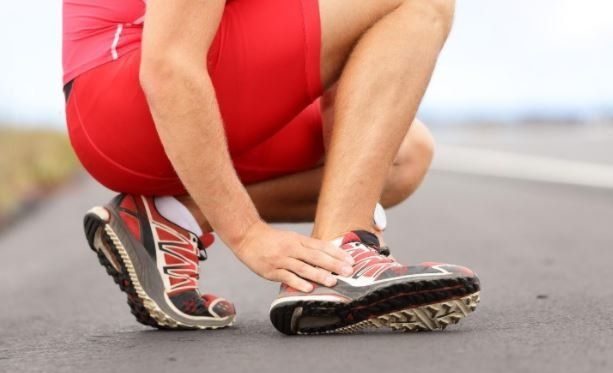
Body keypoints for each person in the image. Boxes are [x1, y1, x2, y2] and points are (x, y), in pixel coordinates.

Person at [63, 0, 480, 335]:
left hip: (137, 114)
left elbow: (342, 50)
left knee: (403, 155)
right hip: (129, 99)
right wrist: (247, 235)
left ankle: (173, 217)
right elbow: (168, 66)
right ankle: (341, 260)